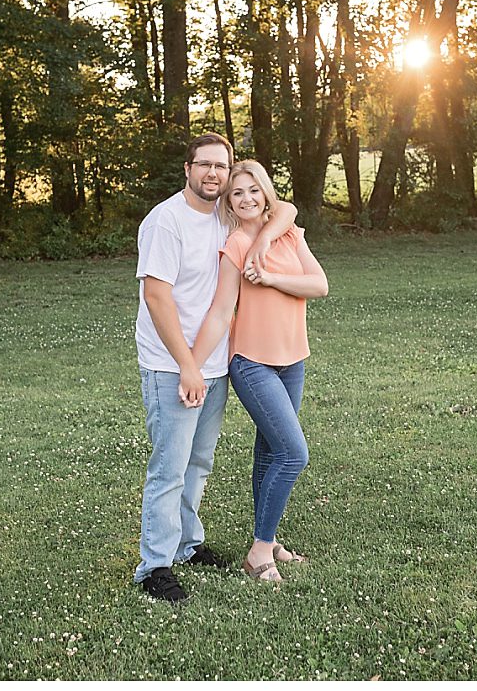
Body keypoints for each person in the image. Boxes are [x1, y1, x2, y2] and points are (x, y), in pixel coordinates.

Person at [133, 132, 295, 603]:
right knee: (170, 467)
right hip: (172, 364)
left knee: (198, 463)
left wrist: (263, 239)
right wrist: (186, 365)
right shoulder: (166, 221)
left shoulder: (225, 213)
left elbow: (285, 209)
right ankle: (154, 567)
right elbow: (156, 296)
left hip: (215, 364)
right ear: (187, 169)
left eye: (220, 167)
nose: (212, 174)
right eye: (203, 164)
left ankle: (186, 544)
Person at [185, 159, 327, 583]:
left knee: (269, 451)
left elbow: (319, 284)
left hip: (293, 360)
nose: (246, 199)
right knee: (293, 453)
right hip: (252, 363)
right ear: (229, 201)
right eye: (237, 193)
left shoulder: (286, 233)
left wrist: (268, 277)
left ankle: (268, 537)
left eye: (253, 190)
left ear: (266, 192)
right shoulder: (233, 247)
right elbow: (222, 310)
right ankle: (260, 550)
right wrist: (190, 363)